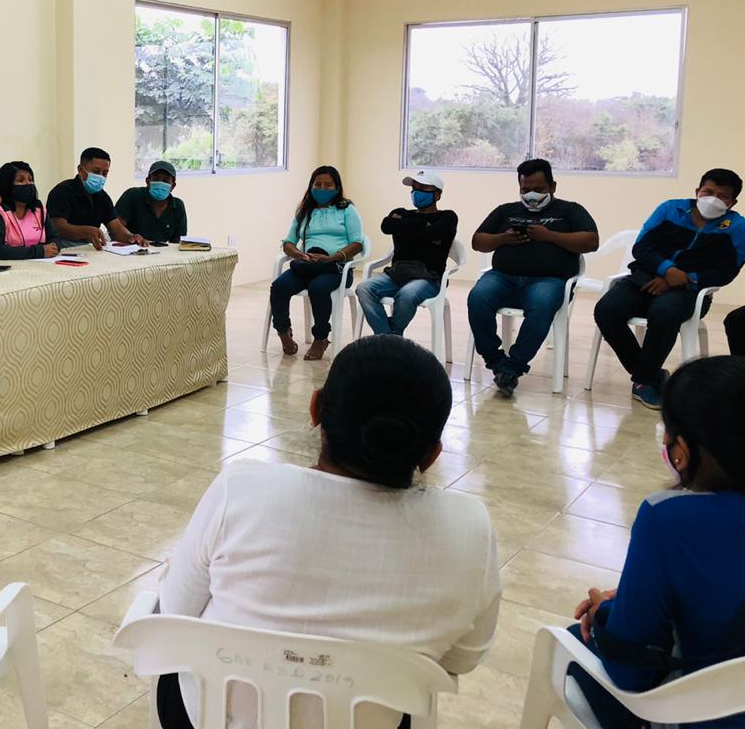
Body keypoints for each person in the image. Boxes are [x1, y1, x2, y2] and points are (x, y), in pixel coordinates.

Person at [157, 336, 501, 729]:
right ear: (432, 454)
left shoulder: (242, 490)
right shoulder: (470, 529)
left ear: (315, 409)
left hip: (211, 719)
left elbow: (176, 611)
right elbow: (462, 659)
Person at [566, 356, 745, 729]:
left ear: (682, 449)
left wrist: (606, 613)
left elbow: (631, 670)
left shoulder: (669, 519)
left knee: (573, 642)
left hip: (702, 714)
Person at [594, 169, 745, 409]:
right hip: (645, 279)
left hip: (690, 290)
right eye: (708, 192)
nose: (713, 199)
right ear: (697, 191)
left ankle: (644, 381)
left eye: (722, 196)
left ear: (732, 202)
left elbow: (726, 271)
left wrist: (684, 279)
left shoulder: (737, 227)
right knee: (606, 310)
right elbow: (641, 248)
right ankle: (650, 375)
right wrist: (667, 270)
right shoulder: (670, 209)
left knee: (664, 313)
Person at [467, 159, 599, 398]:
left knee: (541, 304)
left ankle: (513, 367)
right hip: (503, 277)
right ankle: (496, 361)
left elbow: (591, 241)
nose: (532, 195)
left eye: (539, 189)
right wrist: (503, 239)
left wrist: (550, 236)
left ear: (553, 186)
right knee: (478, 298)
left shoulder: (570, 210)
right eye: (525, 189)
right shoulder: (506, 210)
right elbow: (478, 241)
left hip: (548, 281)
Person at [269, 165, 365, 361]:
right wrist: (298, 254)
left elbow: (357, 244)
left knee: (318, 288)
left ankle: (320, 338)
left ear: (337, 188)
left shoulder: (347, 210)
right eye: (317, 184)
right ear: (311, 186)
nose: (321, 189)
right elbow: (288, 242)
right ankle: (283, 332)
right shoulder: (305, 211)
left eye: (327, 185)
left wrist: (332, 257)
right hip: (308, 265)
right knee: (279, 287)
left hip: (336, 268)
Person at [356, 169, 458, 338]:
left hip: (429, 277)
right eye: (414, 188)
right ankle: (392, 340)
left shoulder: (448, 217)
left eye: (423, 188)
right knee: (364, 289)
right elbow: (386, 226)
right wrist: (423, 225)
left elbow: (435, 232)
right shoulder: (401, 211)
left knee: (406, 295)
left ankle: (387, 341)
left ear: (437, 195)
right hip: (396, 274)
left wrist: (403, 225)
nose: (417, 192)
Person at [46, 147, 148, 250]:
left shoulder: (102, 197)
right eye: (96, 171)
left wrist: (131, 237)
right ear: (80, 170)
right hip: (63, 250)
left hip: (90, 249)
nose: (101, 177)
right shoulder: (62, 192)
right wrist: (85, 232)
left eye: (105, 173)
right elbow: (57, 227)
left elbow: (116, 229)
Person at [0, 161, 59, 260]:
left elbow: (54, 237)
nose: (28, 183)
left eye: (30, 179)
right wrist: (39, 252)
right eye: (20, 180)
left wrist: (54, 247)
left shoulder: (38, 208)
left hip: (42, 265)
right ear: (7, 185)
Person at [115, 160, 188, 244]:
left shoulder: (178, 206)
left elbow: (178, 243)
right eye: (156, 179)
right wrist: (130, 237)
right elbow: (115, 229)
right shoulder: (133, 196)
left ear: (173, 186)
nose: (160, 183)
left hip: (162, 251)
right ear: (148, 181)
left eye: (166, 180)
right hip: (131, 249)